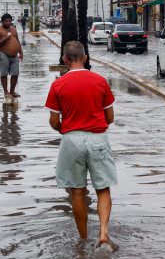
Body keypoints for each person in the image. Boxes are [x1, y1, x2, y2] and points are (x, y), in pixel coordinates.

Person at [45, 41, 117, 246]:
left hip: (71, 139)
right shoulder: (100, 81)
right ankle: (103, 233)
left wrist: (68, 131)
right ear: (85, 58)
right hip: (97, 137)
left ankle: (84, 239)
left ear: (64, 60)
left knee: (77, 190)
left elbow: (53, 122)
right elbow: (110, 117)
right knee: (103, 188)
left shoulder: (57, 85)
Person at [0, 13, 24, 97]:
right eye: (6, 21)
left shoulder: (13, 29)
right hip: (3, 54)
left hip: (14, 55)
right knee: (4, 73)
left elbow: (17, 41)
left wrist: (21, 53)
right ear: (2, 21)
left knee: (15, 73)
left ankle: (12, 91)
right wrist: (5, 39)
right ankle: (6, 92)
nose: (8, 23)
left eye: (9, 21)